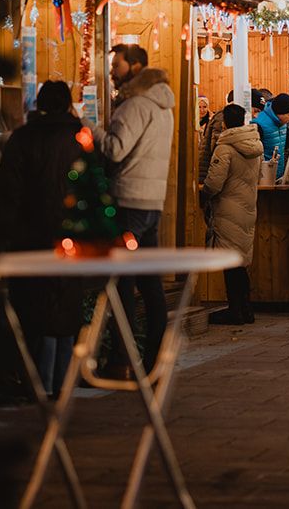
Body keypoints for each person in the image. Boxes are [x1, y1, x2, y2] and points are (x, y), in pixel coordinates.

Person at [0, 81, 87, 394]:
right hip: (73, 237)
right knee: (66, 304)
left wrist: (4, 233)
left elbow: (8, 192)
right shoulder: (80, 137)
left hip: (30, 236)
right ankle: (63, 380)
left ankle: (40, 383)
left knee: (35, 308)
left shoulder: (23, 138)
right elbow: (95, 187)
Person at [98, 44, 174, 372]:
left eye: (117, 65)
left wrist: (90, 129)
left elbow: (114, 150)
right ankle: (153, 358)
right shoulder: (163, 104)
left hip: (128, 199)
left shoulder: (135, 105)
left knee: (122, 283)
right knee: (149, 283)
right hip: (152, 201)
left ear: (136, 66)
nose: (112, 71)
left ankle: (120, 361)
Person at [202, 104, 262, 325]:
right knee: (241, 260)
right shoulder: (255, 144)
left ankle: (235, 310)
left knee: (230, 261)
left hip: (227, 208)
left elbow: (214, 183)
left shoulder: (225, 148)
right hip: (247, 206)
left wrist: (204, 194)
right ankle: (246, 309)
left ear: (225, 122)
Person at [253, 92, 289, 168]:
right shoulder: (259, 125)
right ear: (280, 113)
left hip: (277, 175)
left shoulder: (282, 123)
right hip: (264, 176)